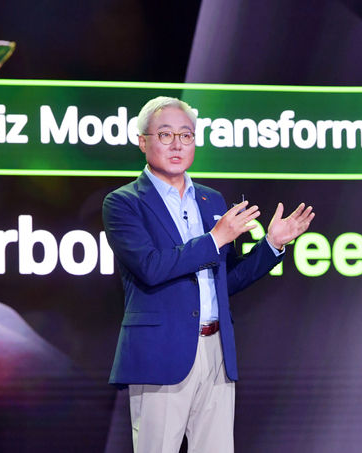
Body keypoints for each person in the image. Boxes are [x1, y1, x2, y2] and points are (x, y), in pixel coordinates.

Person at [102, 96, 314, 453]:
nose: (177, 145)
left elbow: (225, 279)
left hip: (216, 350)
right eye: (165, 135)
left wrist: (271, 245)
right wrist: (215, 238)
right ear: (142, 141)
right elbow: (151, 267)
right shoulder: (124, 203)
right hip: (162, 352)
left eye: (186, 135)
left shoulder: (211, 200)